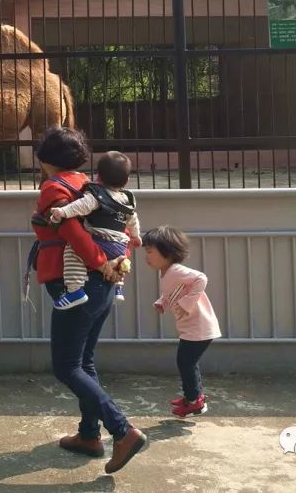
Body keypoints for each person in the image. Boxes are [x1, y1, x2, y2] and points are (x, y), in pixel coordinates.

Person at [29, 127, 148, 474]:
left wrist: (99, 264)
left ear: (46, 160)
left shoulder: (55, 187)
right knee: (85, 360)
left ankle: (122, 431)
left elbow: (72, 233)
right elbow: (124, 229)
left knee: (66, 366)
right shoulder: (93, 183)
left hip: (81, 282)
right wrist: (116, 265)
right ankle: (89, 435)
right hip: (108, 282)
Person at [142, 225, 221, 418]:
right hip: (193, 327)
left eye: (150, 252)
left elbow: (201, 278)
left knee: (186, 362)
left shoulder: (176, 270)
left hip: (199, 327)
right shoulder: (168, 273)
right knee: (188, 362)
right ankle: (193, 397)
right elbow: (172, 291)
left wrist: (188, 302)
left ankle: (194, 402)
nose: (147, 256)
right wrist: (162, 301)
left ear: (167, 253)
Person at [47, 151, 141, 308]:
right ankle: (118, 287)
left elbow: (81, 206)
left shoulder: (97, 195)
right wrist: (136, 236)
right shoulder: (127, 200)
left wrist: (62, 211)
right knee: (121, 261)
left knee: (72, 251)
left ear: (98, 177)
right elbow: (133, 220)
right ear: (126, 181)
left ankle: (74, 290)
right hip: (120, 246)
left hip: (100, 241)